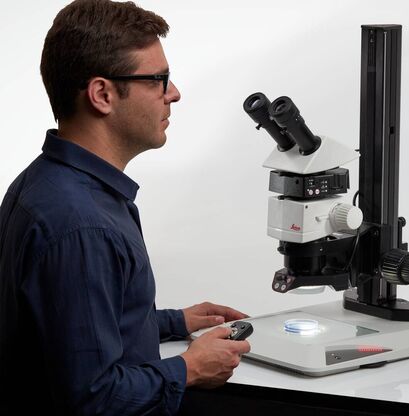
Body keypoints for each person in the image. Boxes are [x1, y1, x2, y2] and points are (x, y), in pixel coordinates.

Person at [0, 0, 251, 414]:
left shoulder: (47, 183)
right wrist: (188, 368)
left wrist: (172, 322)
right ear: (102, 94)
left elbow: (67, 331)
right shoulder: (81, 226)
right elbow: (93, 398)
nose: (174, 93)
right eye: (159, 79)